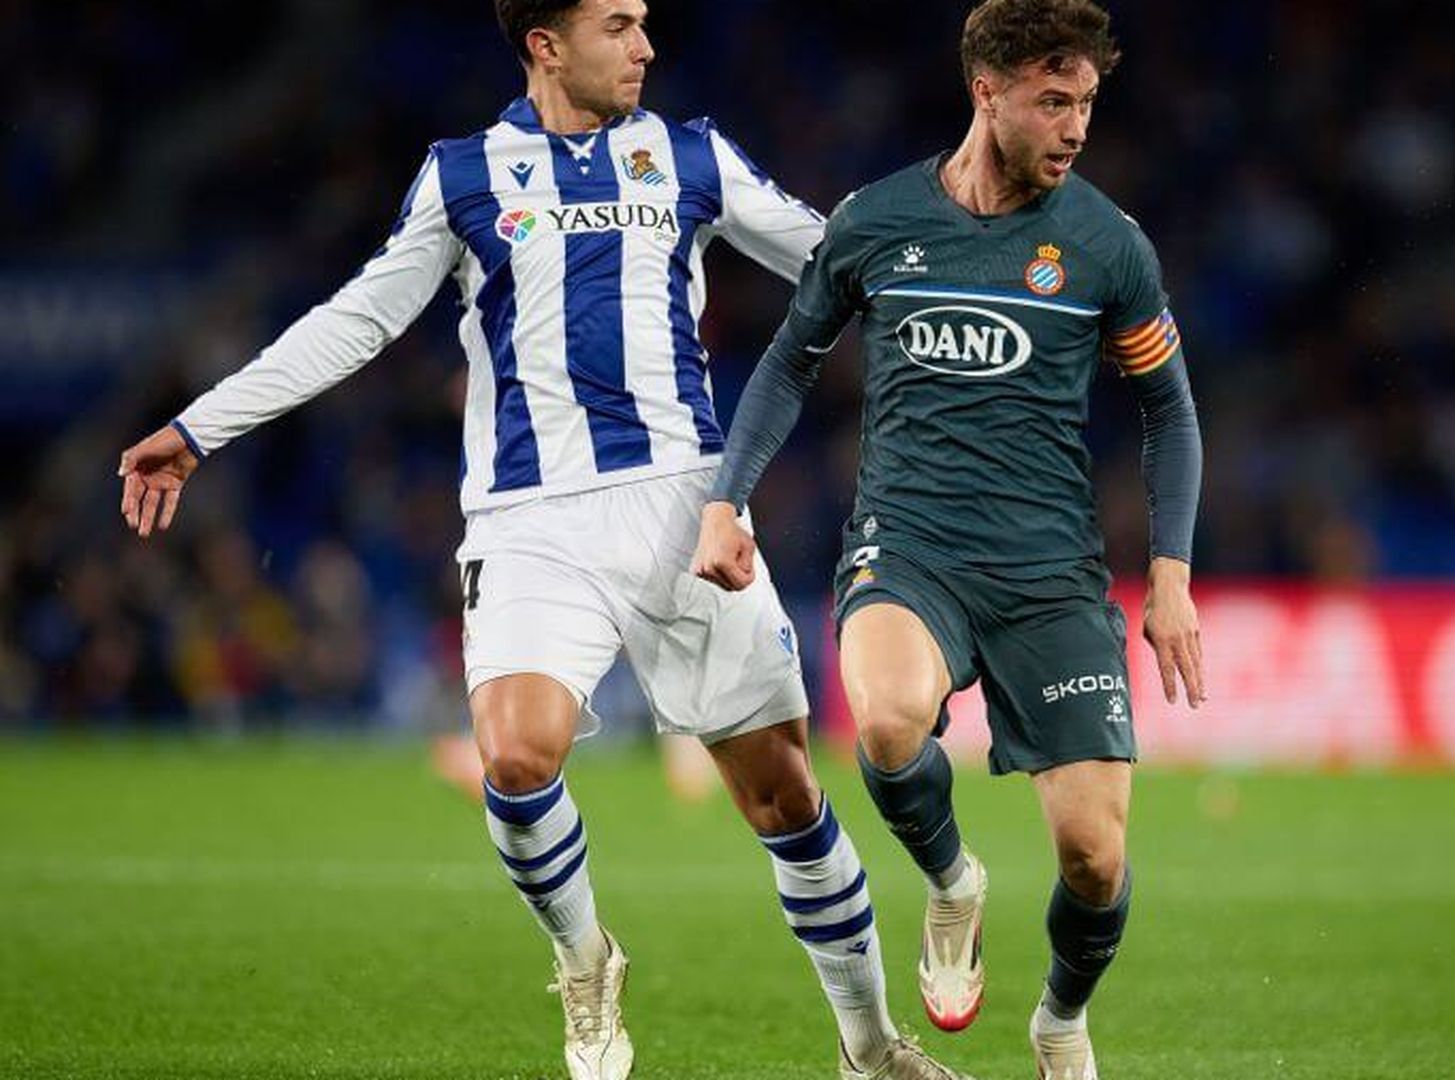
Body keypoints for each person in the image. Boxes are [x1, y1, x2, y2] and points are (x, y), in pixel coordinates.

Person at [116, 2, 972, 1078]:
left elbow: (836, 254)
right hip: (530, 520)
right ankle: (585, 961)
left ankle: (869, 1048)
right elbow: (357, 319)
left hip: (686, 505)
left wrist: (976, 274)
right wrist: (203, 428)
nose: (646, 46)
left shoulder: (689, 156)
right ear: (545, 43)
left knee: (786, 797)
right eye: (619, 24)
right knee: (516, 758)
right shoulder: (464, 177)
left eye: (647, 23)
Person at [692, 1, 1205, 1076]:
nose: (1074, 128)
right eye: (1052, 101)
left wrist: (1169, 576)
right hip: (909, 546)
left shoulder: (1108, 246)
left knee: (1096, 860)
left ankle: (1060, 1017)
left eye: (1087, 105)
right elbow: (790, 360)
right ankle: (952, 882)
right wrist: (728, 498)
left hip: (1051, 576)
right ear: (987, 90)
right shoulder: (876, 223)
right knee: (883, 723)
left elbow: (1168, 407)